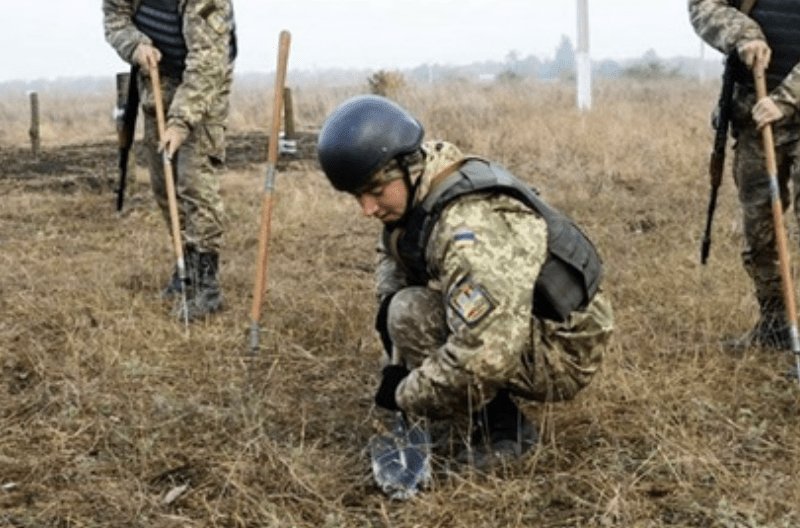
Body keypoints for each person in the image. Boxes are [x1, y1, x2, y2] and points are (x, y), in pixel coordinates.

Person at [316, 95, 614, 467]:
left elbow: (485, 356)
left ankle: (501, 425)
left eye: (376, 192)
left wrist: (406, 393)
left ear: (406, 167)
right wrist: (387, 315)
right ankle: (484, 403)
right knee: (398, 307)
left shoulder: (469, 229)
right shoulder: (426, 174)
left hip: (565, 351)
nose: (367, 210)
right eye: (356, 196)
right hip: (528, 320)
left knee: (410, 313)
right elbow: (394, 247)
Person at [103, 0, 236, 321]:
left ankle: (206, 285)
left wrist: (180, 124)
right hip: (157, 82)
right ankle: (184, 270)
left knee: (194, 181)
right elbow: (115, 18)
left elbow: (207, 63)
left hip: (203, 87)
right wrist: (136, 46)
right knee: (164, 185)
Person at [689, 0, 800, 349]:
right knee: (760, 227)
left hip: (781, 101)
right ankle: (776, 326)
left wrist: (787, 99)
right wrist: (744, 34)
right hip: (754, 108)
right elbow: (703, 5)